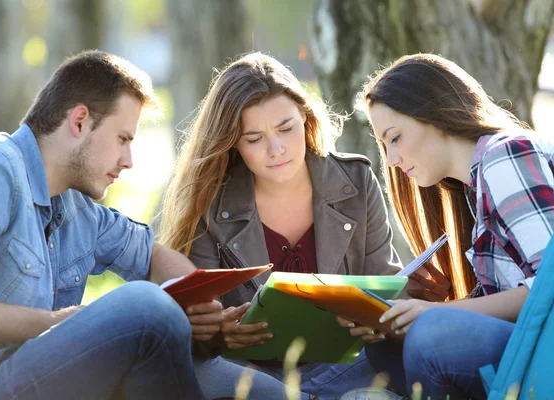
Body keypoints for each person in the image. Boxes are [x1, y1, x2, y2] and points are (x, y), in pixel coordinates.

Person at [158, 52, 447, 400]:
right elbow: (191, 328)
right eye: (254, 139)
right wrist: (217, 335)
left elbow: (380, 283)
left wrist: (410, 297)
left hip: (349, 365)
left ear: (306, 120)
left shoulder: (355, 181)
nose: (276, 149)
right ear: (233, 144)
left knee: (418, 360)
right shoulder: (209, 201)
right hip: (252, 375)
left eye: (286, 128)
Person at [0, 50, 223, 400]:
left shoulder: (76, 207)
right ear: (79, 121)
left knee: (253, 386)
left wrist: (197, 303)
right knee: (146, 307)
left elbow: (151, 254)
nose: (128, 161)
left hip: (40, 377)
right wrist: (56, 324)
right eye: (123, 139)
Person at [358, 53, 554, 399]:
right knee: (385, 345)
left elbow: (548, 286)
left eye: (395, 137)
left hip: (545, 349)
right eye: (383, 145)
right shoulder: (473, 190)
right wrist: (412, 311)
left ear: (433, 114)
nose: (390, 159)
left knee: (433, 334)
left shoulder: (505, 153)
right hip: (530, 344)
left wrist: (438, 313)